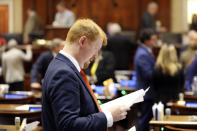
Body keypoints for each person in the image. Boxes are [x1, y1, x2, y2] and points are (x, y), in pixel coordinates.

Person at [42, 19, 130, 131]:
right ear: (82, 41)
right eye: (95, 49)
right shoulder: (63, 73)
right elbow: (68, 125)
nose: (96, 56)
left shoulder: (63, 66)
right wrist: (108, 116)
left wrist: (101, 111)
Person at [134, 28, 157, 131]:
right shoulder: (142, 54)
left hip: (148, 92)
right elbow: (148, 74)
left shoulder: (146, 51)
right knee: (144, 120)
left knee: (146, 119)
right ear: (146, 41)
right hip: (146, 92)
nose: (155, 41)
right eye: (153, 39)